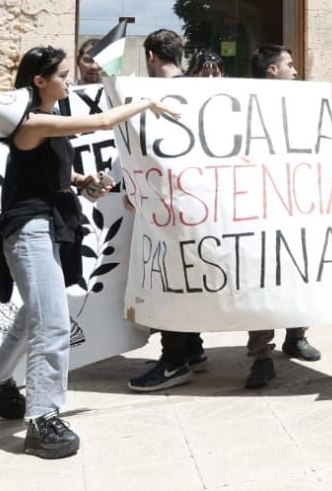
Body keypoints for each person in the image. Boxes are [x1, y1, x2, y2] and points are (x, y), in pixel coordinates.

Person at [0, 46, 176, 458]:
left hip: (47, 226)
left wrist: (83, 182)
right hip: (29, 231)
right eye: (62, 75)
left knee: (35, 315)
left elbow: (48, 172)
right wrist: (146, 101)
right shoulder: (31, 120)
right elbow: (100, 120)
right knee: (53, 324)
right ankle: (42, 419)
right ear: (39, 81)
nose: (69, 80)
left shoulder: (49, 120)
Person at [128, 29, 211, 392]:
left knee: (170, 279)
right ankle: (191, 349)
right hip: (199, 201)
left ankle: (175, 360)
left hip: (167, 205)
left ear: (150, 56)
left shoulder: (150, 96)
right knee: (185, 274)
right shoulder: (203, 90)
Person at [241, 44, 320, 388]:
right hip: (258, 206)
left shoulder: (304, 103)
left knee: (298, 273)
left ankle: (296, 335)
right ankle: (260, 355)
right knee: (260, 281)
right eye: (290, 64)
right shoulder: (242, 105)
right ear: (272, 70)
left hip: (297, 203)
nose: (296, 71)